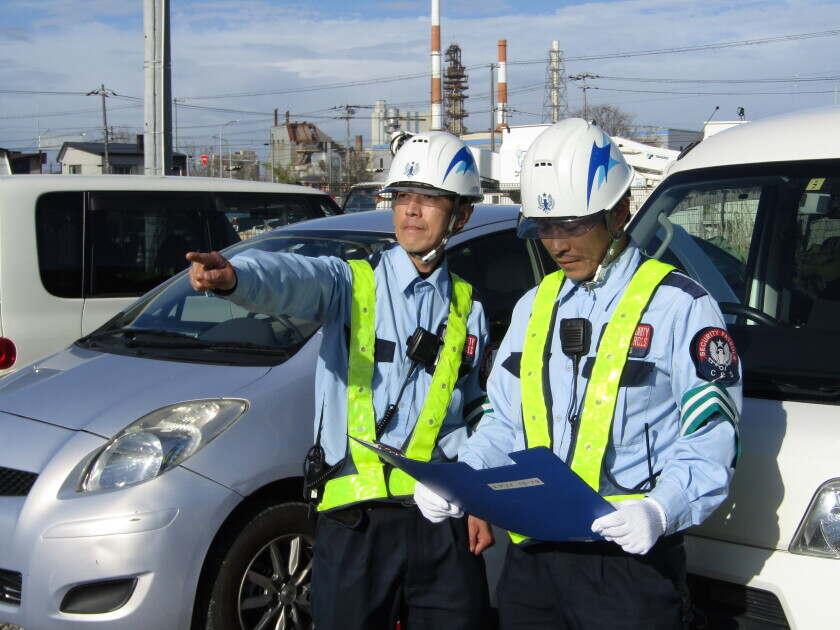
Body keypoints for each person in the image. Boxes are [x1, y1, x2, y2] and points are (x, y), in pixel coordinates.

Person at [414, 119, 741, 629]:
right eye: (545, 228)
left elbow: (712, 435)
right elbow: (505, 419)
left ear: (620, 213)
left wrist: (660, 509)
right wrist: (465, 478)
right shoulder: (534, 307)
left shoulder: (681, 307)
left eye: (572, 225)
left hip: (628, 563)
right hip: (535, 564)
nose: (557, 244)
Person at [186, 131, 493, 630]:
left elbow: (477, 409)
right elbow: (293, 278)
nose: (412, 211)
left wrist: (479, 496)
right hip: (357, 521)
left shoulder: (468, 306)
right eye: (403, 197)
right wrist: (237, 277)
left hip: (441, 518)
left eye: (430, 199)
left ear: (460, 216)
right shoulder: (351, 283)